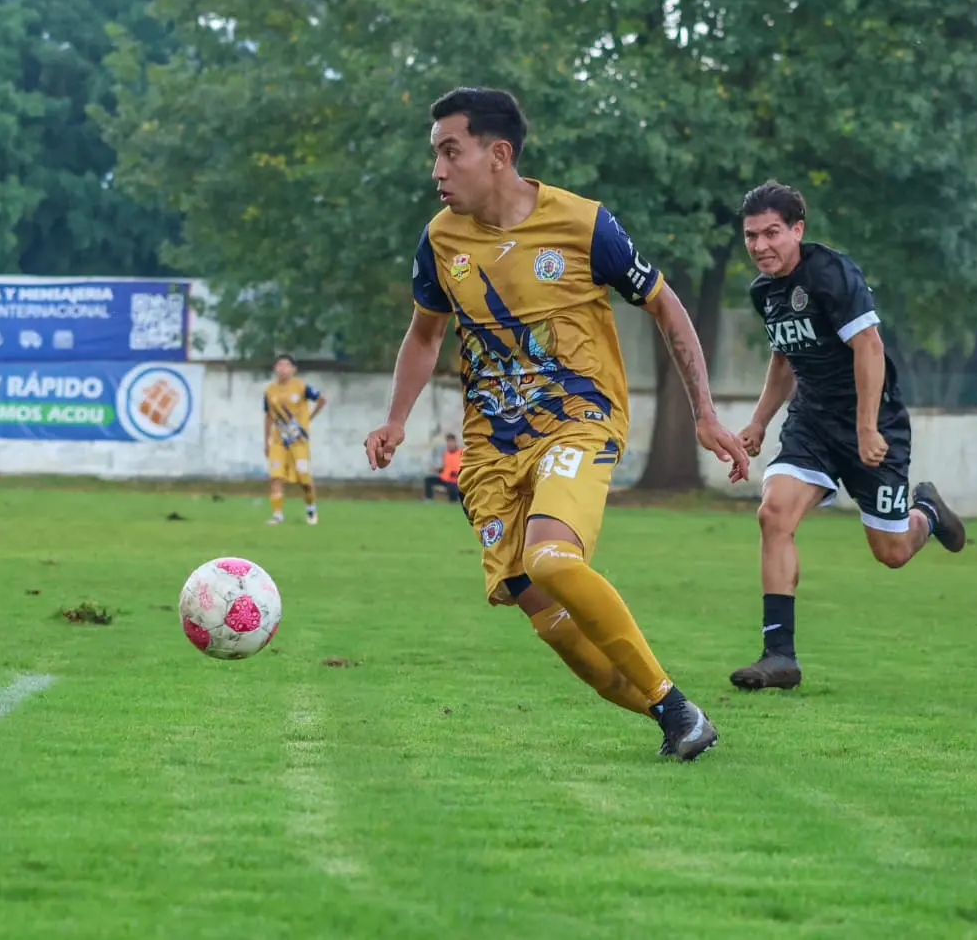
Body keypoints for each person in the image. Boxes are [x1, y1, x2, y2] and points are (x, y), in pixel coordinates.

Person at [364, 87, 751, 761]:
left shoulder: (584, 223)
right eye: (435, 154)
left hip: (578, 419)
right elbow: (425, 335)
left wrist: (706, 413)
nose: (437, 170)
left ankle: (675, 708)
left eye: (450, 152)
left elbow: (665, 306)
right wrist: (395, 418)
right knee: (546, 615)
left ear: (498, 153)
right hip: (489, 452)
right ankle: (675, 713)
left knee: (551, 556)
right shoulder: (439, 239)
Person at [731, 180, 966, 691]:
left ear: (798, 229)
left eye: (772, 233)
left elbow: (869, 346)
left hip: (872, 422)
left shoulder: (832, 273)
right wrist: (758, 421)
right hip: (812, 421)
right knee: (773, 513)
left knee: (892, 552)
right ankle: (779, 656)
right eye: (751, 236)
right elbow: (784, 357)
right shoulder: (763, 291)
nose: (761, 246)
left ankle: (925, 510)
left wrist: (865, 427)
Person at [264, 354, 326, 526]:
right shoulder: (269, 390)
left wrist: (308, 419)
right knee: (275, 477)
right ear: (275, 368)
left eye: (286, 365)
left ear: (293, 369)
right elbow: (268, 416)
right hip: (278, 441)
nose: (283, 369)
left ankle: (311, 508)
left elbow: (322, 400)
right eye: (280, 365)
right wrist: (266, 440)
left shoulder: (301, 387)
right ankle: (277, 515)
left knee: (304, 479)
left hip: (298, 441)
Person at [424, 433, 464, 503]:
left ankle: (454, 502)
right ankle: (429, 499)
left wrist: (456, 474)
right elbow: (446, 468)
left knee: (452, 488)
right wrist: (437, 470)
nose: (450, 444)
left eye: (451, 442)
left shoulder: (461, 452)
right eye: (448, 442)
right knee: (428, 480)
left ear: (455, 442)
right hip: (445, 478)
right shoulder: (446, 453)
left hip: (455, 480)